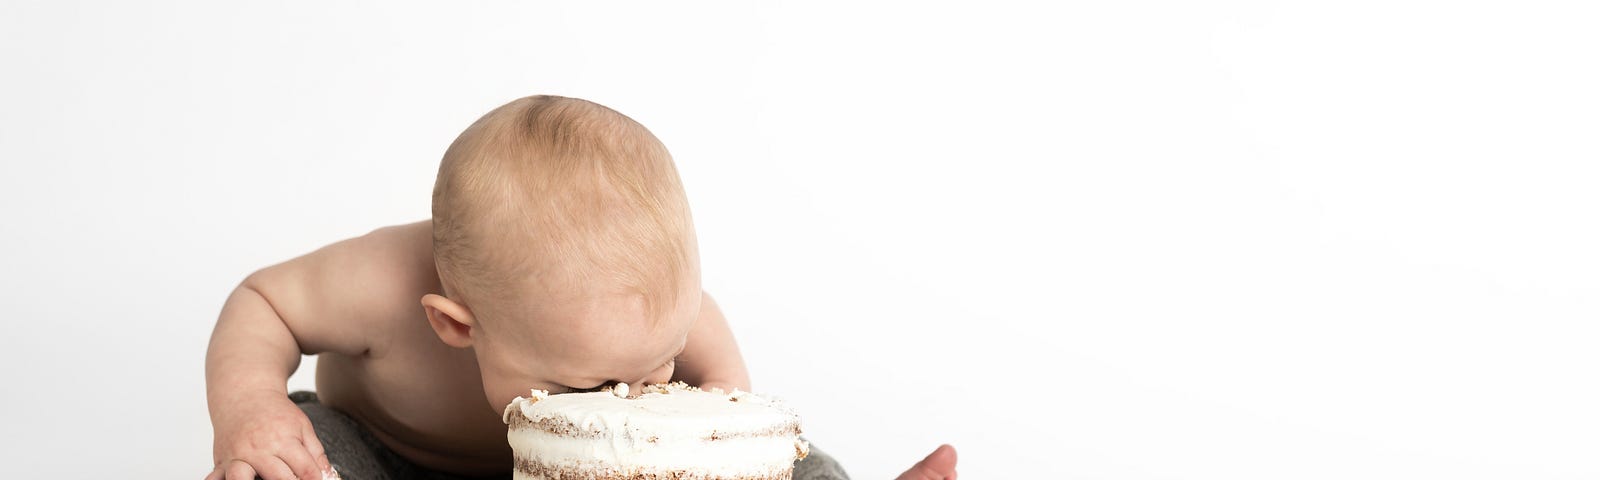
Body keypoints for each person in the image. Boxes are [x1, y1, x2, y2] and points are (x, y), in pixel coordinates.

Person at [204, 95, 959, 480]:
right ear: (456, 325)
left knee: (795, 460)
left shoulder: (642, 314)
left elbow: (723, 376)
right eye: (589, 384)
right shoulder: (377, 284)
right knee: (305, 459)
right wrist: (249, 409)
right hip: (400, 460)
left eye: (656, 366)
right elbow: (261, 303)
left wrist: (720, 445)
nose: (622, 399)